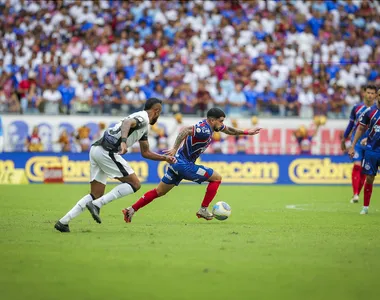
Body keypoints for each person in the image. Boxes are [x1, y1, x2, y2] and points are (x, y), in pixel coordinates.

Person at [54, 98, 176, 232]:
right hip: (108, 151)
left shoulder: (142, 125)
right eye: (160, 113)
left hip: (96, 149)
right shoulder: (143, 118)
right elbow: (127, 123)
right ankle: (97, 205)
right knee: (135, 184)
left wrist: (164, 158)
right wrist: (123, 142)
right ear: (156, 111)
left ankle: (63, 222)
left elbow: (145, 152)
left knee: (96, 193)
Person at [121, 108, 261, 222]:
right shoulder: (204, 129)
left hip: (177, 164)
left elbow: (229, 130)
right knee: (217, 178)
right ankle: (203, 209)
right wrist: (175, 148)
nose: (222, 123)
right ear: (212, 120)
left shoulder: (211, 127)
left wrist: (247, 132)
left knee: (159, 191)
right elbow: (185, 131)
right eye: (221, 121)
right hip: (184, 165)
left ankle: (131, 210)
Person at [341, 85, 376, 203]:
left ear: (376, 95)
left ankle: (357, 193)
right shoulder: (356, 108)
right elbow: (351, 125)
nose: (370, 95)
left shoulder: (376, 110)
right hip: (356, 143)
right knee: (357, 165)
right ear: (364, 93)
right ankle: (355, 194)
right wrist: (344, 139)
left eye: (372, 93)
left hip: (371, 144)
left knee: (364, 171)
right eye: (368, 92)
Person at [349, 86, 380, 215]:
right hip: (372, 151)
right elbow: (360, 129)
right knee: (369, 178)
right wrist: (352, 145)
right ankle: (365, 207)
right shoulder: (370, 112)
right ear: (378, 97)